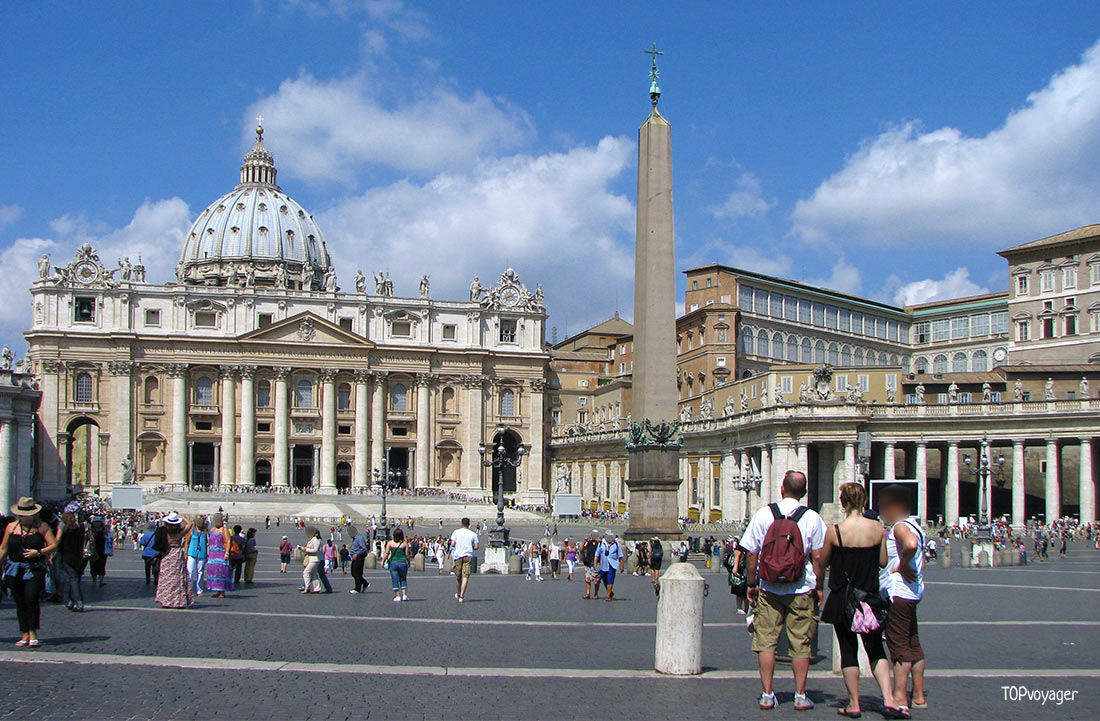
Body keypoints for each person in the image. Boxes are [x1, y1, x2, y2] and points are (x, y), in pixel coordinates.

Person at [819, 483, 907, 719]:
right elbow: (882, 561)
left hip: (843, 597)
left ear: (843, 502)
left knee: (849, 650)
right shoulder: (878, 529)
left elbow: (823, 561)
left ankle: (854, 703)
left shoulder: (835, 531)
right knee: (876, 649)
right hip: (869, 597)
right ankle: (889, 701)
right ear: (864, 501)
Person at [742, 470, 827, 712]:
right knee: (801, 643)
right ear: (805, 492)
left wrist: (751, 584)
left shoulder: (764, 514)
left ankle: (767, 694)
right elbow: (819, 556)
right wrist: (819, 586)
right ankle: (800, 695)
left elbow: (751, 552)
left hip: (769, 588)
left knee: (766, 642)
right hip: (802, 587)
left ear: (782, 488)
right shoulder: (812, 517)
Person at [878, 484, 928, 717]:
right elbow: (922, 557)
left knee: (899, 647)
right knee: (913, 643)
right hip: (914, 592)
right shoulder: (917, 526)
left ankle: (900, 697)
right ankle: (918, 695)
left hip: (899, 593)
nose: (881, 510)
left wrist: (901, 565)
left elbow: (910, 545)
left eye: (883, 506)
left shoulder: (900, 527)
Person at [0, 497, 58, 647]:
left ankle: (33, 631)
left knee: (31, 598)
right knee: (19, 601)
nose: (24, 517)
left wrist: (38, 552)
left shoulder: (42, 527)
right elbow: (4, 548)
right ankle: (24, 632)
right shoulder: (11, 527)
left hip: (35, 568)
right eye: (22, 514)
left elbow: (53, 545)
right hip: (14, 568)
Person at [155, 513, 195, 609]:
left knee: (166, 578)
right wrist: (182, 517)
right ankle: (178, 601)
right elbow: (190, 524)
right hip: (176, 554)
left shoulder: (165, 532)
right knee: (178, 578)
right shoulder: (180, 533)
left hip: (166, 555)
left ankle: (165, 600)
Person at [55, 512, 85, 612]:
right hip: (79, 558)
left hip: (67, 557)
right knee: (75, 579)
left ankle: (78, 602)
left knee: (72, 580)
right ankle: (70, 600)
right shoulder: (80, 529)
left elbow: (57, 540)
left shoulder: (64, 529)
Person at [449, 517, 479, 602]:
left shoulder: (456, 532)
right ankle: (462, 595)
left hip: (458, 556)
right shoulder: (473, 534)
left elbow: (452, 544)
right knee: (465, 576)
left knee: (458, 576)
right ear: (469, 524)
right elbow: (476, 547)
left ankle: (459, 593)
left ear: (461, 523)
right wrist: (470, 546)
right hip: (468, 556)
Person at [206, 513, 234, 598]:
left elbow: (228, 541)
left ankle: (222, 591)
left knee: (221, 572)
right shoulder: (212, 530)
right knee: (214, 572)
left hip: (221, 553)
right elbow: (208, 542)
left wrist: (227, 553)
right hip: (212, 554)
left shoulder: (224, 530)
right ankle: (217, 590)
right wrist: (208, 551)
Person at [595, 533, 624, 602]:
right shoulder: (601, 544)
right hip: (603, 565)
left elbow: (620, 556)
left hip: (612, 564)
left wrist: (622, 566)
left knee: (610, 579)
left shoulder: (616, 544)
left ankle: (608, 596)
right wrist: (595, 564)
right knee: (604, 579)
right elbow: (597, 554)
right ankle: (610, 591)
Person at [383, 528, 410, 602]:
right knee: (403, 579)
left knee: (395, 579)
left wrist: (383, 561)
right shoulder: (405, 544)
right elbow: (407, 554)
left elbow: (386, 553)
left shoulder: (390, 543)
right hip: (403, 563)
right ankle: (404, 595)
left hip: (393, 563)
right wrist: (408, 561)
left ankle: (397, 596)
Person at [187, 516, 209, 595]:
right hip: (192, 553)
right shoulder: (191, 531)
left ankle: (199, 589)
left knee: (200, 572)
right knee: (190, 571)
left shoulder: (206, 532)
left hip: (202, 553)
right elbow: (187, 542)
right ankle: (189, 589)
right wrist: (185, 553)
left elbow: (208, 542)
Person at [299, 527, 324, 593]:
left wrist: (306, 550)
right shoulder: (313, 539)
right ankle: (317, 588)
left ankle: (307, 588)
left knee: (306, 572)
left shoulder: (316, 540)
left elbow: (315, 550)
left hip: (315, 559)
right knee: (314, 574)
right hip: (312, 558)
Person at [88, 516, 110, 587]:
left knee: (102, 565)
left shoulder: (104, 531)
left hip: (102, 551)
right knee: (93, 566)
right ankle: (94, 580)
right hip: (93, 550)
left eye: (98, 522)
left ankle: (101, 580)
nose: (97, 524)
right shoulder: (90, 531)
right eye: (95, 522)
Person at [348, 526, 370, 594]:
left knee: (357, 573)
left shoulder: (359, 538)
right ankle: (365, 583)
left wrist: (357, 554)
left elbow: (364, 548)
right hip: (354, 557)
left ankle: (357, 588)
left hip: (359, 557)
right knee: (353, 573)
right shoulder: (355, 538)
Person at [580, 533, 601, 599]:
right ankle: (588, 593)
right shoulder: (588, 543)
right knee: (587, 578)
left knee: (596, 580)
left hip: (597, 563)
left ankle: (596, 593)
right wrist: (584, 543)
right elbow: (581, 550)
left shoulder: (600, 543)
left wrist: (600, 542)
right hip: (589, 563)